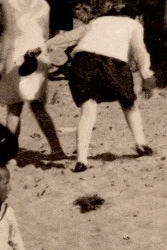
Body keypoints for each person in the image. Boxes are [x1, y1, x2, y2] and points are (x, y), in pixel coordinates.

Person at [0, 0, 68, 160]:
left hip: (16, 53)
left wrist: (0, 61)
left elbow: (9, 34)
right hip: (37, 54)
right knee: (38, 106)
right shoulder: (43, 4)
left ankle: (11, 153)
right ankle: (57, 149)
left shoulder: (9, 2)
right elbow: (46, 33)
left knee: (14, 108)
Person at [64, 10, 157, 173]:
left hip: (82, 62)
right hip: (112, 63)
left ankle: (81, 160)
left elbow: (68, 37)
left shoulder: (97, 21)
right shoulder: (134, 24)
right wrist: (145, 72)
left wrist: (43, 47)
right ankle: (141, 143)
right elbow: (139, 49)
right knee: (128, 103)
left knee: (87, 112)